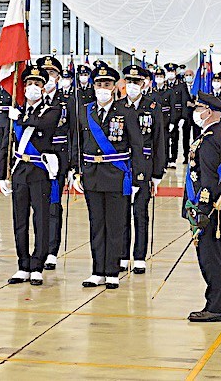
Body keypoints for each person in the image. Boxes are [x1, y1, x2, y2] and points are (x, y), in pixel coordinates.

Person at [70, 64, 135, 289]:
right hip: (92, 175)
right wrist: (75, 170)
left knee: (115, 225)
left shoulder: (125, 112)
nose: (102, 88)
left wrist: (138, 177)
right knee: (96, 224)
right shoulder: (85, 111)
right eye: (99, 84)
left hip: (116, 175)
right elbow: (76, 143)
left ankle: (112, 271)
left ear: (115, 87)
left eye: (107, 84)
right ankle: (97, 270)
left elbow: (136, 145)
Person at [0, 65, 61, 286]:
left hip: (39, 171)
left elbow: (44, 124)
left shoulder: (51, 110)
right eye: (29, 84)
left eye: (37, 84)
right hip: (19, 171)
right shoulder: (16, 111)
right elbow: (5, 144)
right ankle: (23, 264)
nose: (32, 88)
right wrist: (1, 174)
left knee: (41, 218)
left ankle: (37, 265)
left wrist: (20, 119)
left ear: (44, 87)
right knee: (20, 219)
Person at [183, 92, 221, 322]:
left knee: (210, 258)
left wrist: (202, 208)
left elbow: (210, 178)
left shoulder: (212, 138)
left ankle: (215, 307)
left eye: (199, 108)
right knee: (213, 256)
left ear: (209, 112)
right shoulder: (214, 134)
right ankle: (216, 304)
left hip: (209, 208)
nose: (196, 112)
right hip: (211, 206)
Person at [120, 65, 165, 274]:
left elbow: (159, 140)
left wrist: (157, 173)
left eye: (136, 82)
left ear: (144, 84)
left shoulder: (152, 106)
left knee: (140, 212)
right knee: (120, 213)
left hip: (144, 166)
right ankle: (121, 254)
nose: (132, 86)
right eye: (129, 82)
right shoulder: (118, 106)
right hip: (121, 165)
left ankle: (139, 256)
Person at [37, 56, 72, 271]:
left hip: (58, 158)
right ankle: (38, 248)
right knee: (35, 207)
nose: (48, 78)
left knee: (52, 205)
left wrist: (72, 166)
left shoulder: (67, 101)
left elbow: (74, 134)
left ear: (58, 77)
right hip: (36, 159)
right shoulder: (30, 100)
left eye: (52, 74)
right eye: (44, 74)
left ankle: (51, 251)